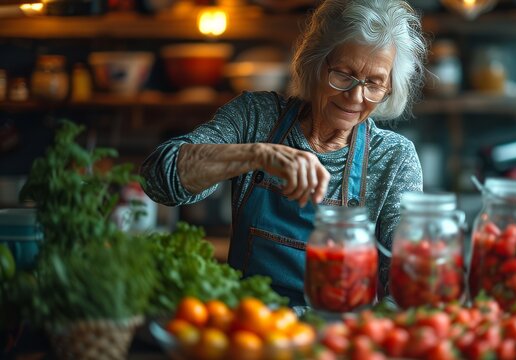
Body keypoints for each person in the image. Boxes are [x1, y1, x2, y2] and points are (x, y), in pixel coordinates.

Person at [140, 0, 428, 306]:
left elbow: (407, 284)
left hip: (337, 339)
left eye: (374, 83)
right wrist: (257, 155)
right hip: (252, 328)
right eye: (344, 75)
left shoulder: (394, 158)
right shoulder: (256, 116)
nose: (356, 97)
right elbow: (160, 179)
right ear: (316, 63)